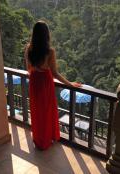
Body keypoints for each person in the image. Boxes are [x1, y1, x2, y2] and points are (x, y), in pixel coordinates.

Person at [25, 21, 81, 150]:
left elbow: (28, 68)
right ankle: (47, 139)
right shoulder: (49, 51)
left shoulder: (29, 48)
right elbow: (55, 73)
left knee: (37, 111)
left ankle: (39, 139)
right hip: (45, 82)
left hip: (34, 81)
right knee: (47, 111)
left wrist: (36, 71)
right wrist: (70, 84)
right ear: (46, 35)